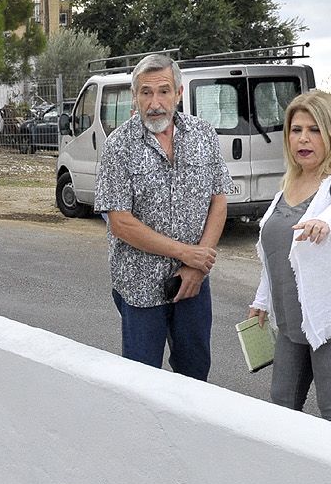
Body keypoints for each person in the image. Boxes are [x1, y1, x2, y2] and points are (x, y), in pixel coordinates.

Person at [247, 89, 331, 427]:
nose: (303, 138)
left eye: (315, 130)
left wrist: (326, 221)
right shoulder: (289, 184)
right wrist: (261, 300)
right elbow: (275, 250)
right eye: (296, 130)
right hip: (291, 316)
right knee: (282, 399)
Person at [96, 52, 231, 380]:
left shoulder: (203, 135)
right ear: (135, 95)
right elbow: (120, 222)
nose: (155, 103)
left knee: (195, 373)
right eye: (146, 92)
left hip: (193, 284)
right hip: (140, 286)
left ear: (179, 93)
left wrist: (196, 267)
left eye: (163, 91)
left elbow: (218, 200)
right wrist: (186, 253)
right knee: (143, 379)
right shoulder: (118, 146)